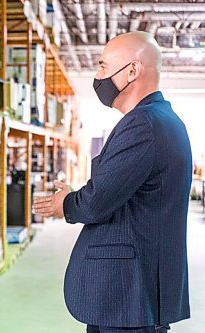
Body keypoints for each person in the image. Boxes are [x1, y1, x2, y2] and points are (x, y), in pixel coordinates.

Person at [34, 31, 192, 333]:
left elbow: (97, 201)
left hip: (128, 296)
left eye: (104, 67)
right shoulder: (165, 120)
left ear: (132, 71)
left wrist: (65, 204)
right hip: (138, 295)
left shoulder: (141, 124)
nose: (98, 76)